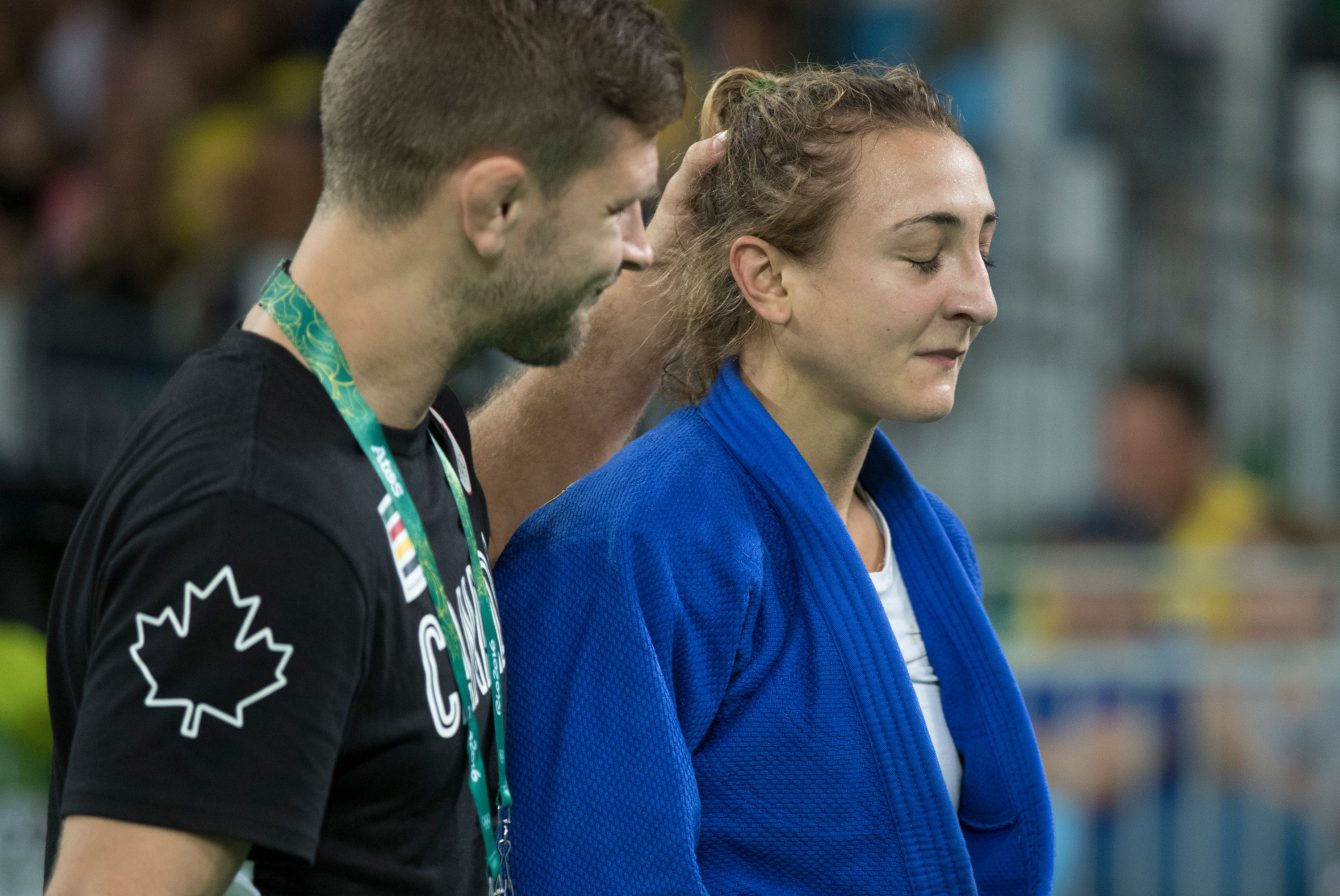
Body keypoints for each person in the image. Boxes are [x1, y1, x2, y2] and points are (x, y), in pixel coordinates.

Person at [41, 1, 717, 892]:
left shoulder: (388, 427)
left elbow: (436, 534)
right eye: (618, 207)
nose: (637, 249)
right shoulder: (253, 520)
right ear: (496, 206)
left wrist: (683, 264)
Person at [496, 63, 1053, 894]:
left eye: (984, 252)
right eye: (923, 256)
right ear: (767, 278)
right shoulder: (627, 546)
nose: (979, 299)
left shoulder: (936, 543)